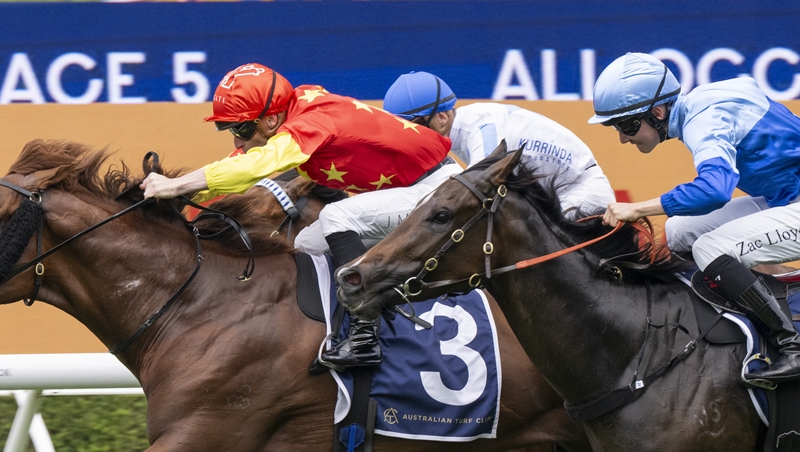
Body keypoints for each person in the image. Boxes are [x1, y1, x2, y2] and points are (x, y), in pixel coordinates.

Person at [140, 63, 454, 370]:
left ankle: (364, 338)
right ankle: (330, 330)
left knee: (336, 215)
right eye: (231, 130)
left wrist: (177, 185)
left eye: (242, 129)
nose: (237, 140)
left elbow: (254, 166)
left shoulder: (311, 121)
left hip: (439, 190)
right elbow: (239, 165)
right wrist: (179, 194)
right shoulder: (292, 114)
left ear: (271, 119)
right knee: (306, 245)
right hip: (414, 192)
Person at [589, 52, 800, 388]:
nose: (622, 138)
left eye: (627, 125)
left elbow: (715, 191)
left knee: (711, 248)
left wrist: (639, 209)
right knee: (678, 231)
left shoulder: (702, 120)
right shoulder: (701, 102)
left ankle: (796, 349)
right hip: (787, 199)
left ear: (657, 113)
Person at [384, 71, 614, 220]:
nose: (409, 137)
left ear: (441, 118)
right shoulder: (464, 129)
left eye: (412, 127)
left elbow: (477, 191)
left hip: (582, 192)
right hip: (559, 194)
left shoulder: (480, 127)